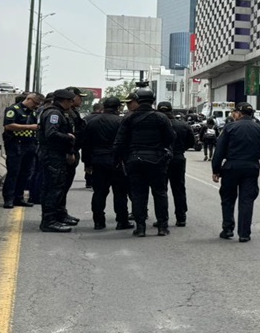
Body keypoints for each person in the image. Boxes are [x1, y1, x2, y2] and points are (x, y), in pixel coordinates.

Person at [114, 88, 175, 237]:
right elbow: (170, 138)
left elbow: (120, 141)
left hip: (135, 160)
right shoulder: (161, 118)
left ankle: (140, 227)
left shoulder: (129, 118)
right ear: (153, 101)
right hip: (157, 160)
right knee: (160, 193)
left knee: (138, 194)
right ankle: (162, 226)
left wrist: (120, 159)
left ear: (137, 100)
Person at [211, 103, 260, 243]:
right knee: (246, 200)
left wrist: (216, 170)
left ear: (239, 114)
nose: (233, 115)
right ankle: (244, 233)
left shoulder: (229, 127)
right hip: (251, 168)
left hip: (231, 167)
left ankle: (228, 229)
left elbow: (219, 151)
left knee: (228, 199)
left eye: (234, 113)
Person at [79, 97, 131, 230]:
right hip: (117, 161)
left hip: (98, 160)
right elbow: (126, 143)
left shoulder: (92, 122)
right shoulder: (122, 122)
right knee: (120, 193)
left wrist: (87, 163)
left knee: (99, 192)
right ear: (118, 108)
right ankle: (122, 220)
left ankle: (98, 221)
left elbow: (86, 145)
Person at [36, 90, 79, 232]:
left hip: (56, 155)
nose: (72, 104)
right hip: (51, 155)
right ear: (65, 101)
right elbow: (51, 133)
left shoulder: (59, 112)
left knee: (58, 187)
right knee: (52, 188)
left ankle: (58, 215)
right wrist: (68, 137)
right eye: (71, 101)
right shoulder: (54, 114)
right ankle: (49, 221)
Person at [2, 92, 42, 208]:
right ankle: (9, 199)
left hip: (30, 145)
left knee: (25, 173)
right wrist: (29, 127)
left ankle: (18, 198)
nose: (36, 106)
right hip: (16, 145)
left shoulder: (33, 112)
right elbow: (8, 126)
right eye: (35, 103)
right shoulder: (13, 109)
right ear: (29, 99)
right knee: (13, 173)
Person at [158, 102, 195, 227]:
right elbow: (191, 142)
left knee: (161, 190)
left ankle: (162, 218)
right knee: (179, 188)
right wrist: (180, 149)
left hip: (160, 159)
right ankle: (181, 217)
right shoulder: (182, 125)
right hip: (178, 158)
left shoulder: (157, 125)